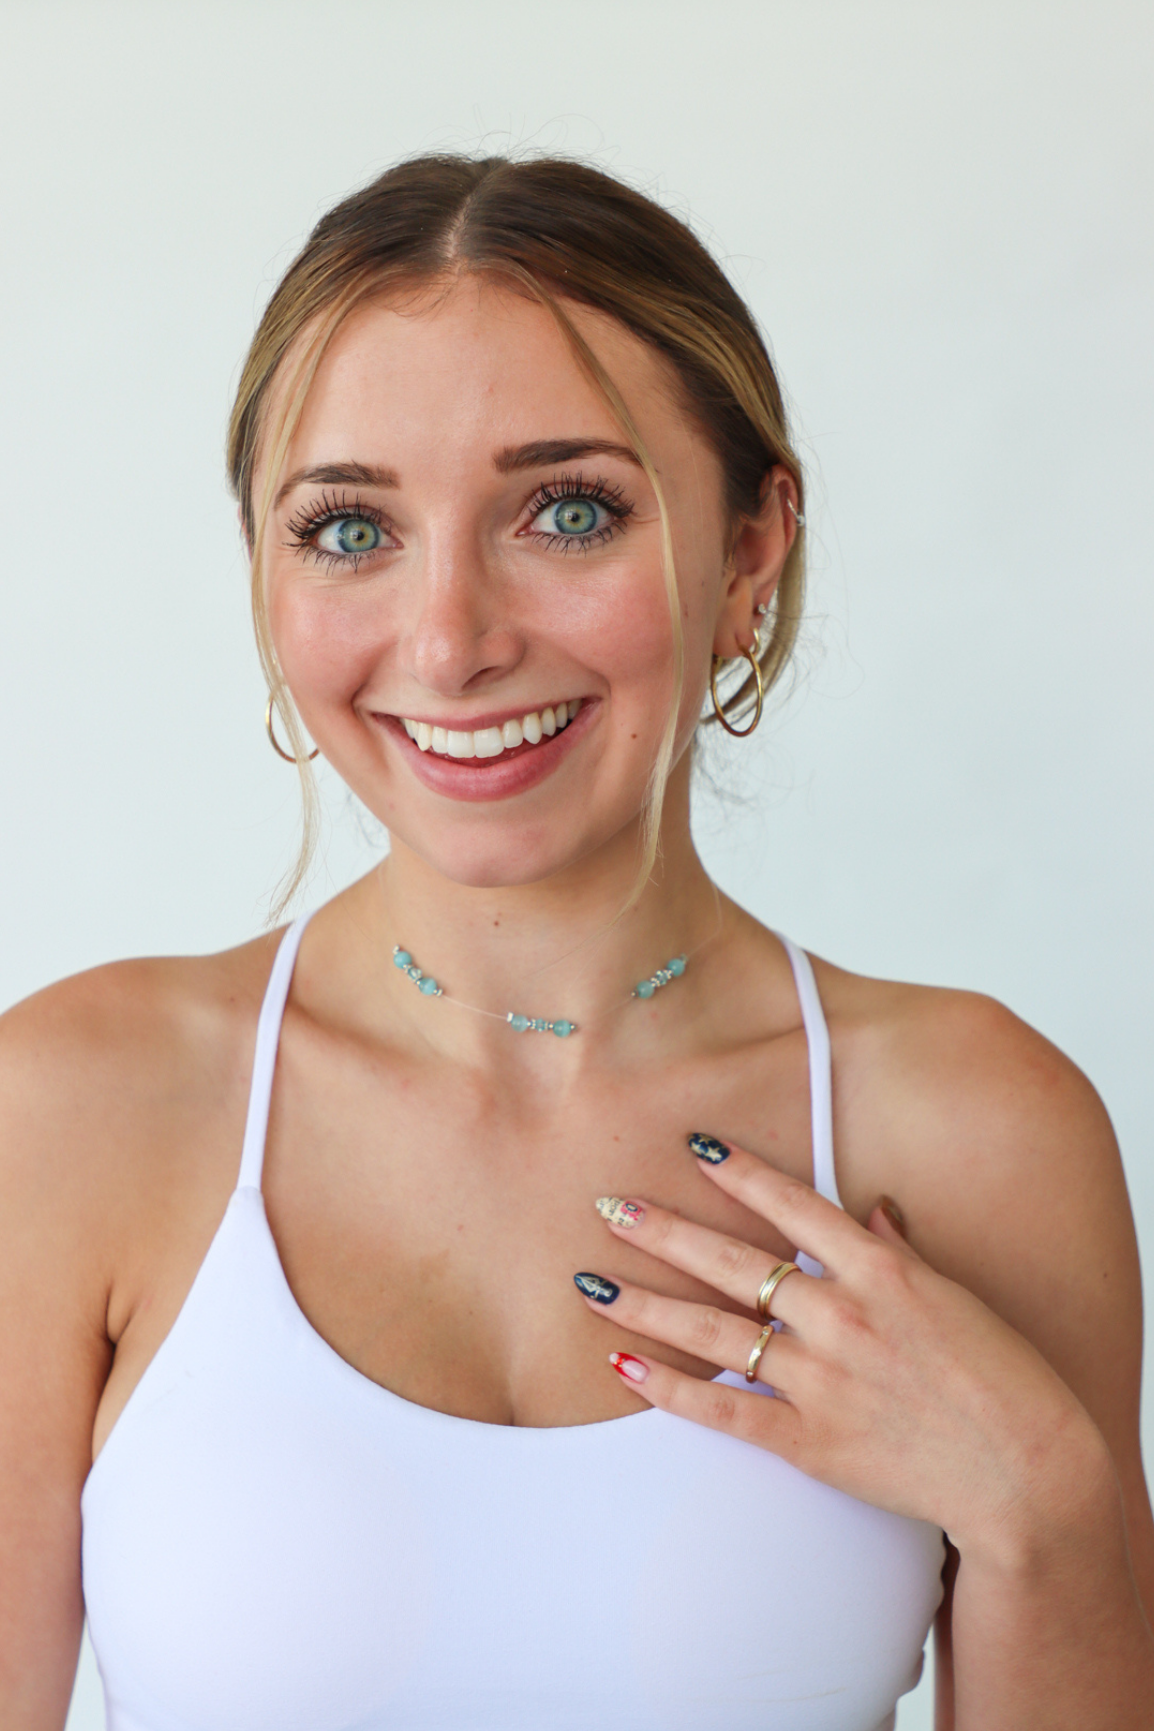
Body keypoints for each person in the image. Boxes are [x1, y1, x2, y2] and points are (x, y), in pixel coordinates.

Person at [1, 153, 1151, 1731]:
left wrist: (1047, 1505)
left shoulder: (971, 1132)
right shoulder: (72, 1109)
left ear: (749, 551)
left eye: (566, 510)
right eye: (349, 529)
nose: (452, 638)